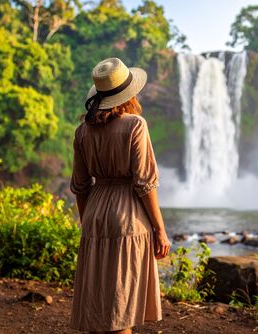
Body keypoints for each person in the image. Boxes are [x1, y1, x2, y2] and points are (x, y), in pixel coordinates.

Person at [68, 57, 171, 334]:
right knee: (120, 308)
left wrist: (87, 221)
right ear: (129, 94)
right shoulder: (135, 125)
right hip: (128, 217)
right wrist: (160, 230)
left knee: (97, 303)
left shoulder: (82, 132)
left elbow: (80, 185)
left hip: (94, 214)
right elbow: (145, 184)